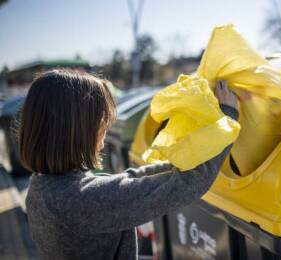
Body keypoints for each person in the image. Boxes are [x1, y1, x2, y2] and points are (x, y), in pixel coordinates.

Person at [20, 69, 239, 260]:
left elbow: (127, 181)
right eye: (102, 126)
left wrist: (177, 162)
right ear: (78, 132)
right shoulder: (83, 201)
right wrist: (229, 117)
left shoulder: (42, 187)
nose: (103, 138)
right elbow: (189, 184)